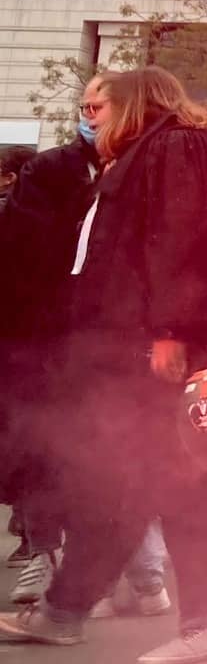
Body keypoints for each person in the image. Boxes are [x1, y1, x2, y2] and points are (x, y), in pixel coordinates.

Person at [0, 69, 207, 664]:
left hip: (152, 351)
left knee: (182, 480)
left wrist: (172, 330)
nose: (93, 119)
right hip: (120, 351)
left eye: (102, 107)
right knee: (116, 482)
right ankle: (65, 611)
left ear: (136, 104)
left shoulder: (178, 149)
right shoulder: (142, 157)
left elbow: (184, 243)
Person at [0, 86, 104, 607]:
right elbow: (22, 254)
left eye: (101, 107)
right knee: (42, 445)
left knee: (113, 455)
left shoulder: (149, 171)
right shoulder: (50, 171)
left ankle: (140, 569)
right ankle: (41, 554)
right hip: (44, 338)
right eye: (86, 108)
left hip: (111, 339)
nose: (93, 117)